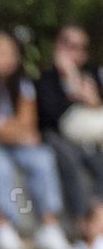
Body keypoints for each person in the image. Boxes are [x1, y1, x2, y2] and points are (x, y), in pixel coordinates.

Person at [0, 30, 71, 249]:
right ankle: (3, 224)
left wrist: (1, 129)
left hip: (12, 144)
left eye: (10, 53)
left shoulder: (22, 82)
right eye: (0, 52)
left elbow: (29, 128)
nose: (5, 58)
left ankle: (50, 225)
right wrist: (11, 130)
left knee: (42, 157)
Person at [38, 25, 103, 224]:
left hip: (89, 139)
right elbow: (50, 115)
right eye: (68, 44)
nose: (73, 51)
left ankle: (98, 217)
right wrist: (73, 86)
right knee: (69, 160)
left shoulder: (91, 75)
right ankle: (80, 221)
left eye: (79, 47)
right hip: (56, 136)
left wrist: (84, 90)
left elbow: (96, 105)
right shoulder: (46, 78)